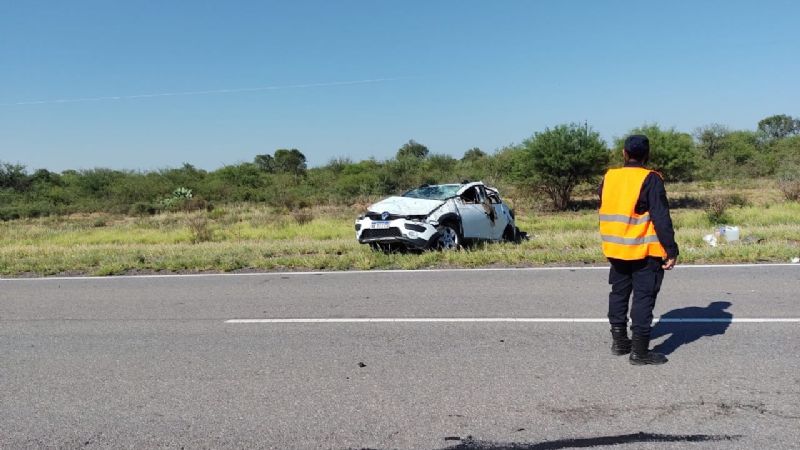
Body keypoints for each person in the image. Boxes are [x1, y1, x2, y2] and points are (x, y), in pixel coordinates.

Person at [598, 135, 679, 365]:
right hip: (644, 250)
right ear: (647, 155)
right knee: (643, 297)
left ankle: (620, 342)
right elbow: (661, 217)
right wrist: (671, 250)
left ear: (624, 153)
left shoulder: (609, 177)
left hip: (616, 248)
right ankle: (639, 352)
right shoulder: (651, 178)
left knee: (619, 294)